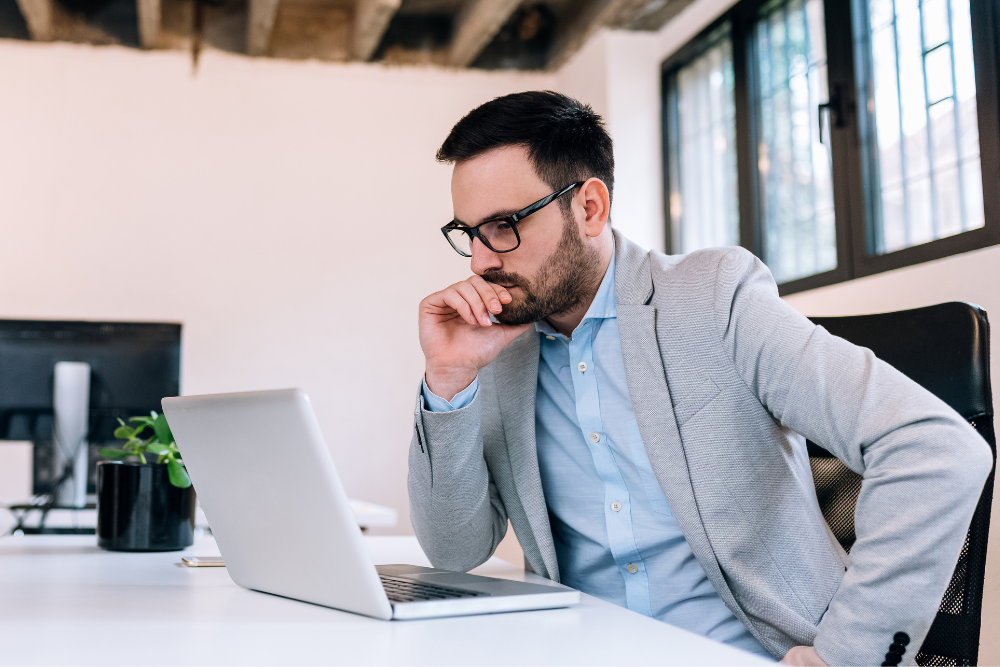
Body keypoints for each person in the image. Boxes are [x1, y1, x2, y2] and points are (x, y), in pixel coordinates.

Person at [407, 90, 993, 667]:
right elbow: (456, 552)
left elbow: (937, 449)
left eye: (505, 226)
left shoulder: (714, 298)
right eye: (469, 233)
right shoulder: (502, 352)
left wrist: (850, 657)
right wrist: (449, 378)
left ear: (589, 208)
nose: (481, 261)